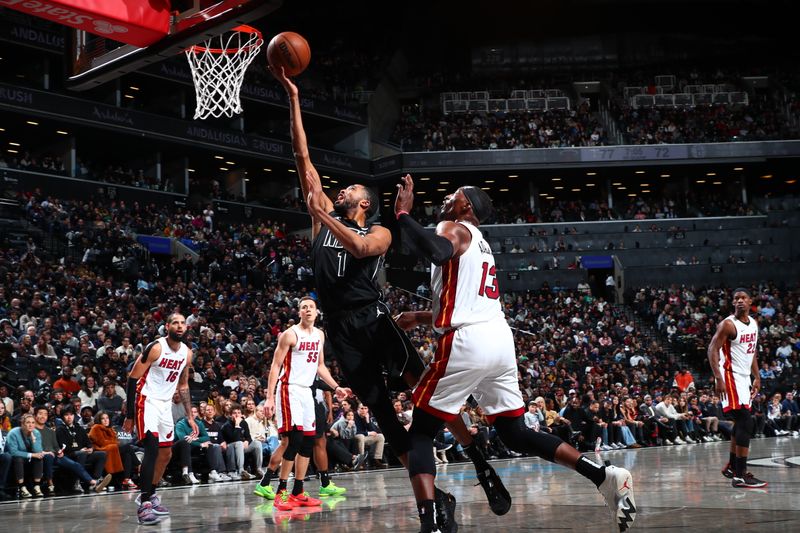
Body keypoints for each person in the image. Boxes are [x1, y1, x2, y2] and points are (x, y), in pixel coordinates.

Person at [272, 66, 508, 530]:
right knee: (384, 415)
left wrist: (322, 213)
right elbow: (302, 156)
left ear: (364, 202)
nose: (341, 190)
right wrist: (293, 98)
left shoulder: (376, 229)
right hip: (341, 330)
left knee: (424, 389)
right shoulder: (323, 219)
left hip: (375, 320)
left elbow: (360, 248)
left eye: (352, 190)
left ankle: (480, 461)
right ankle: (434, 495)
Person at [392, 175, 636, 533]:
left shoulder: (454, 227)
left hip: (468, 341)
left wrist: (402, 214)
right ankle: (603, 475)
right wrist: (421, 316)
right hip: (500, 341)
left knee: (421, 431)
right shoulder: (482, 246)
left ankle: (430, 525)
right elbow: (469, 304)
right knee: (516, 433)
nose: (447, 197)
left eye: (454, 194)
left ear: (467, 208)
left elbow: (437, 250)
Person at [255, 296, 349, 509]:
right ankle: (281, 492)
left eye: (311, 307)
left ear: (317, 312)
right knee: (294, 440)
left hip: (307, 392)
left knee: (308, 441)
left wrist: (336, 387)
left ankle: (298, 491)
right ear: (299, 313)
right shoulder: (290, 334)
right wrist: (269, 397)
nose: (307, 310)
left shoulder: (319, 335)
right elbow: (275, 366)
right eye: (303, 307)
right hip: (289, 390)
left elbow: (320, 366)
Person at [123, 314, 198, 524]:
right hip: (146, 401)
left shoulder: (187, 353)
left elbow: (183, 385)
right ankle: (144, 506)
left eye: (183, 323)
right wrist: (129, 415)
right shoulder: (156, 347)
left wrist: (190, 416)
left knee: (166, 453)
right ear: (167, 327)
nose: (180, 326)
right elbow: (132, 379)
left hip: (165, 404)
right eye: (175, 323)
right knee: (152, 449)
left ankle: (150, 494)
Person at [708, 287, 767, 488]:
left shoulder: (753, 324)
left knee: (742, 423)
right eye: (736, 298)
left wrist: (757, 376)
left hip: (744, 378)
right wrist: (718, 378)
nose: (739, 301)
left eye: (743, 298)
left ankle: (733, 467)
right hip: (730, 376)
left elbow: (751, 353)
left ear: (751, 302)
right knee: (745, 420)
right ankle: (740, 475)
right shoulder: (728, 325)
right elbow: (712, 349)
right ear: (733, 303)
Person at [6, 414, 47, 498]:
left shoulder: (36, 433)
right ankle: (22, 487)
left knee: (39, 457)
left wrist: (33, 439)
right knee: (19, 458)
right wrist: (32, 455)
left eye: (33, 422)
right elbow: (13, 452)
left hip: (28, 459)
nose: (31, 425)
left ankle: (37, 486)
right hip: (14, 459)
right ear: (22, 424)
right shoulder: (13, 433)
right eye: (28, 422)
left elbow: (38, 451)